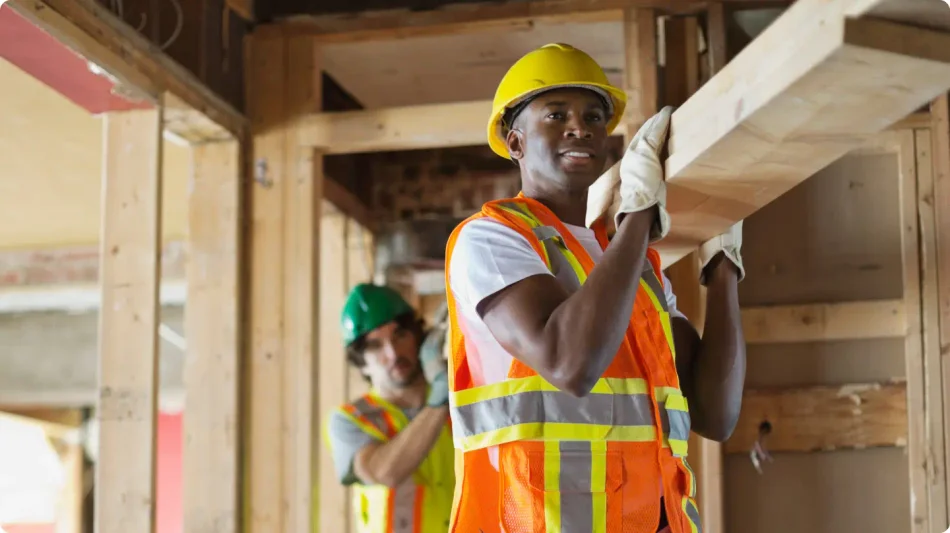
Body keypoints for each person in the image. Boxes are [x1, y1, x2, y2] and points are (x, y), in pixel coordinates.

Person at [443, 43, 747, 533]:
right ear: (515, 142)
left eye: (593, 116)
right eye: (556, 114)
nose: (579, 127)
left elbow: (715, 414)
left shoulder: (632, 260)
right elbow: (570, 363)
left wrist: (724, 271)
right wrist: (638, 218)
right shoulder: (493, 237)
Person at [325, 283, 457, 533]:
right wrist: (440, 401)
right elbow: (385, 472)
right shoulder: (349, 420)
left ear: (419, 337)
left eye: (400, 335)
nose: (393, 352)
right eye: (375, 346)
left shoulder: (458, 396)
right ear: (361, 363)